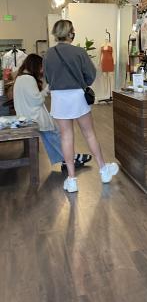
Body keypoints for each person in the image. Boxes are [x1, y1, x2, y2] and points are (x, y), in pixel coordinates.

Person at [44, 19, 119, 193]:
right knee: (89, 134)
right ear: (70, 33)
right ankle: (103, 169)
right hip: (77, 95)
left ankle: (71, 179)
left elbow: (47, 78)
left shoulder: (48, 54)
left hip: (58, 98)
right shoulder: (79, 52)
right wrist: (81, 83)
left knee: (66, 137)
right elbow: (91, 75)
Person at [13, 54, 92, 170]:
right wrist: (46, 90)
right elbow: (37, 100)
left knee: (54, 135)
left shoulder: (20, 78)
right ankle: (71, 159)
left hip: (25, 115)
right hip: (34, 117)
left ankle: (70, 159)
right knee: (56, 133)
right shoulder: (28, 79)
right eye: (41, 66)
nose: (42, 70)